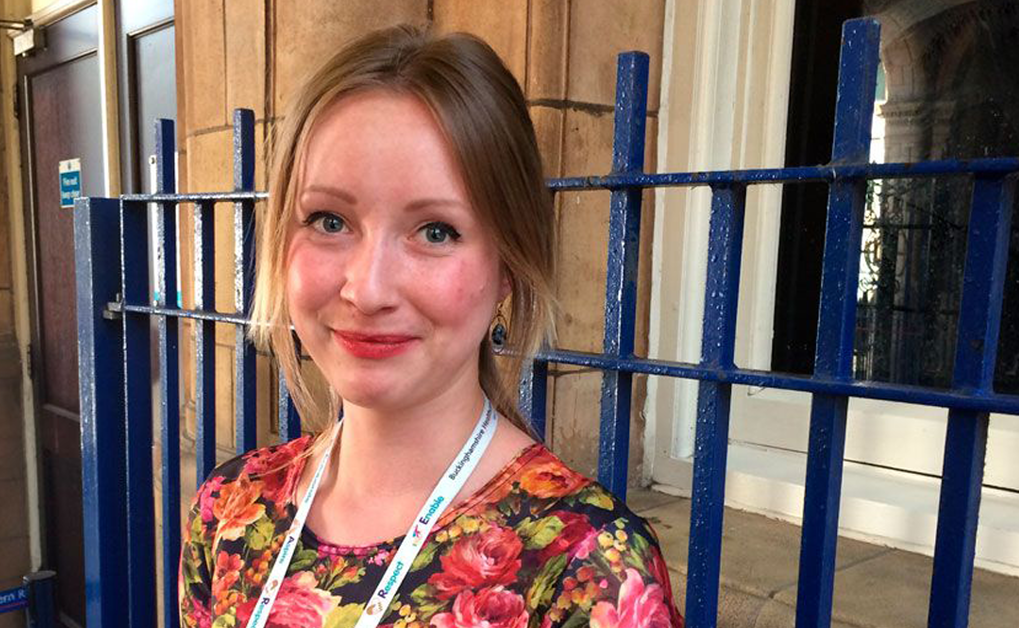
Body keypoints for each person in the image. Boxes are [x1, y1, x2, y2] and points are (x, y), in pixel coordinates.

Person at [179, 24, 683, 628]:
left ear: (508, 266)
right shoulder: (230, 512)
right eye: (329, 220)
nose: (367, 290)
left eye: (436, 231)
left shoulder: (589, 570)